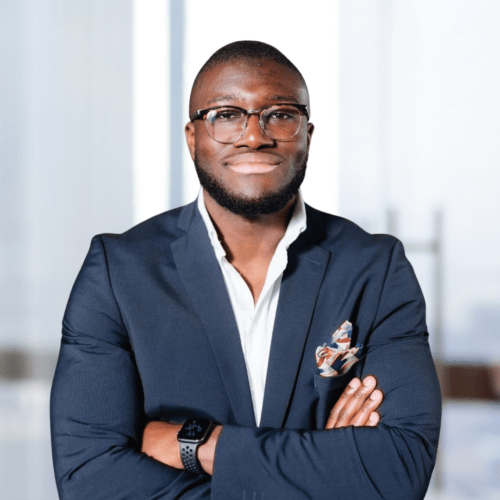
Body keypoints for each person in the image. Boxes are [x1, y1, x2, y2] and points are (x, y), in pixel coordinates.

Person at [50, 41, 441, 499]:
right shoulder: (117, 272)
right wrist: (324, 463)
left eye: (280, 114)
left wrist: (202, 447)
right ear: (192, 137)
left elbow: (399, 469)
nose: (254, 136)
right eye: (226, 115)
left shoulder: (375, 268)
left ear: (308, 135)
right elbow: (91, 479)